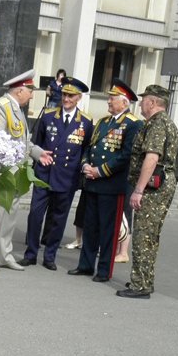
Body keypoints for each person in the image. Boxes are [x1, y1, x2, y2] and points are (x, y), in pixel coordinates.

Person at [68, 79, 142, 283]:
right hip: (92, 183)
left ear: (124, 103)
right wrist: (85, 166)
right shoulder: (102, 122)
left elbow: (126, 155)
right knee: (90, 225)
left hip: (112, 185)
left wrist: (100, 171)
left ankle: (103, 270)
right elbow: (90, 148)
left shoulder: (133, 124)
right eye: (109, 97)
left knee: (109, 229)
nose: (108, 101)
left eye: (112, 98)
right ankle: (85, 265)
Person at [0, 69, 53, 270]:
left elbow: (23, 141)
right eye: (30, 91)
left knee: (10, 215)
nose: (31, 95)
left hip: (17, 173)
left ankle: (3, 255)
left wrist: (37, 153)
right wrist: (1, 169)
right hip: (3, 173)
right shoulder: (1, 106)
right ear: (20, 90)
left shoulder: (17, 109)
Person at [19, 77, 93, 270]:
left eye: (71, 96)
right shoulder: (48, 115)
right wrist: (37, 161)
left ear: (78, 98)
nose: (66, 99)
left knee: (58, 218)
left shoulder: (85, 121)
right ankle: (31, 253)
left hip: (67, 177)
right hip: (44, 173)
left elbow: (86, 149)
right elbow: (36, 142)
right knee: (35, 214)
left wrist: (82, 169)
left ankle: (50, 255)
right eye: (64, 94)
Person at [116, 84, 178, 299]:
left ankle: (140, 286)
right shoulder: (162, 122)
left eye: (144, 99)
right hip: (160, 184)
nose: (141, 103)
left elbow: (151, 158)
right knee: (150, 236)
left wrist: (138, 190)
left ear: (152, 102)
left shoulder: (158, 124)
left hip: (154, 187)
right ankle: (144, 280)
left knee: (144, 235)